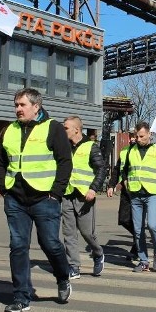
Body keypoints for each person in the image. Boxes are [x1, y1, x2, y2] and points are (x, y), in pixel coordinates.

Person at [0, 87, 73, 312]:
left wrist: (56, 193)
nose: (17, 109)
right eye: (16, 105)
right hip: (15, 198)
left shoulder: (54, 128)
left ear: (36, 106)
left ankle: (63, 276)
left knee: (50, 243)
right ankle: (20, 297)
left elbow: (65, 162)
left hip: (44, 198)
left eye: (22, 105)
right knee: (18, 246)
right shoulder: (9, 129)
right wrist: (3, 187)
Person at [121, 122, 156, 272]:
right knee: (138, 229)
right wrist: (127, 184)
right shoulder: (131, 150)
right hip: (135, 195)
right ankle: (143, 260)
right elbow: (124, 170)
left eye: (141, 136)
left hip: (152, 193)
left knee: (152, 225)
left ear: (149, 134)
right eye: (136, 136)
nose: (138, 139)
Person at [62, 116, 108, 279]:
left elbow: (102, 169)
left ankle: (98, 253)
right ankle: (74, 266)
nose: (63, 130)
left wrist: (94, 189)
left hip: (85, 196)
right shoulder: (64, 147)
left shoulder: (91, 147)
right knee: (68, 233)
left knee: (86, 232)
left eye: (65, 128)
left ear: (76, 129)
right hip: (67, 194)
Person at [107, 132, 138, 260]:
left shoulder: (145, 150)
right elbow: (117, 168)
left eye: (135, 136)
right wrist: (111, 184)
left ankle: (137, 249)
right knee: (124, 219)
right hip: (126, 190)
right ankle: (138, 237)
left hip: (140, 191)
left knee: (137, 220)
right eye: (130, 136)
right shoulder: (125, 150)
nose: (132, 139)